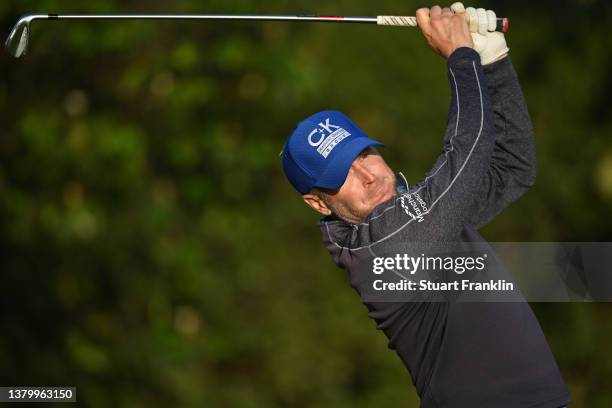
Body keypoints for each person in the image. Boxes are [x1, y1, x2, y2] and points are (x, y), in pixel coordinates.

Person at [280, 3, 571, 407]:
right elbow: (467, 148)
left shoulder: (424, 214)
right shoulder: (381, 249)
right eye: (341, 175)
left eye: (363, 154)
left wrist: (495, 63)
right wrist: (462, 57)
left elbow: (512, 168)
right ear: (318, 203)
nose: (368, 175)